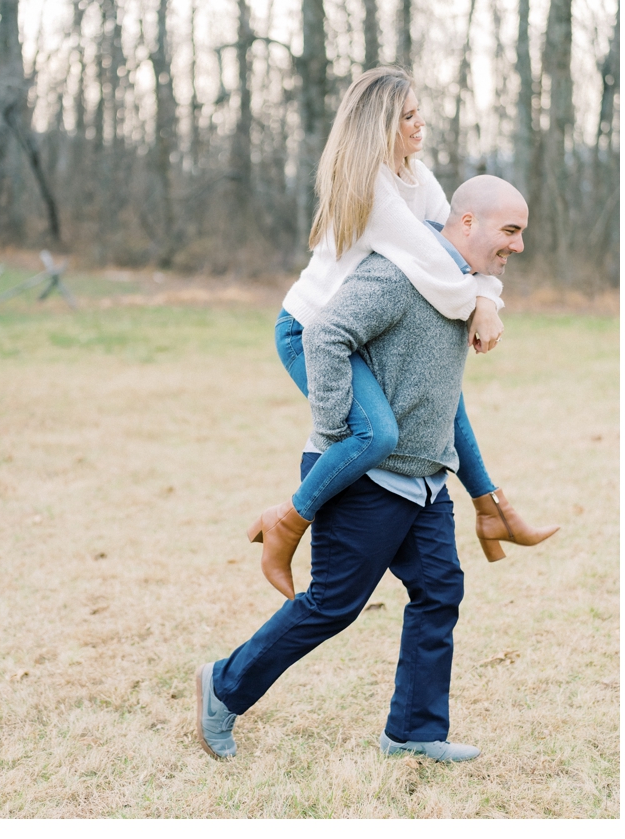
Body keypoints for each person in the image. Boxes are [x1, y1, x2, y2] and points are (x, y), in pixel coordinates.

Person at [196, 176, 531, 762]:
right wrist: (339, 434)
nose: (519, 246)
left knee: (439, 591)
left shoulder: (460, 288)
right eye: (511, 231)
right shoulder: (400, 275)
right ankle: (223, 687)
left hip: (425, 480)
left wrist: (480, 489)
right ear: (468, 223)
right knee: (332, 605)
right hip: (370, 477)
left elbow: (447, 402)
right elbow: (323, 333)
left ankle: (414, 733)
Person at [253, 67, 555, 599]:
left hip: (368, 330)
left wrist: (486, 297)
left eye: (419, 112)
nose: (420, 124)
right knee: (377, 434)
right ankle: (287, 523)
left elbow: (460, 251)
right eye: (408, 116)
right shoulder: (369, 185)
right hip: (313, 331)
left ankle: (492, 509)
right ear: (380, 125)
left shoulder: (417, 176)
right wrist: (481, 305)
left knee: (446, 399)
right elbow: (435, 270)